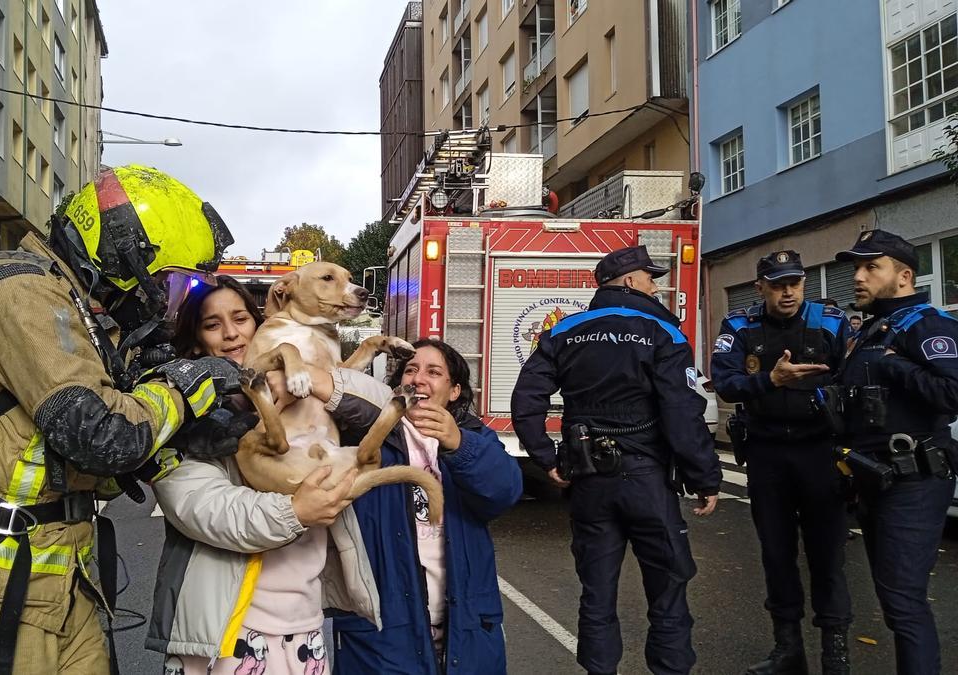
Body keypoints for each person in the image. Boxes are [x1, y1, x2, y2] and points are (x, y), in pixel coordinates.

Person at [0, 165, 244, 674]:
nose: (166, 302)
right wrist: (181, 390)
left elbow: (89, 467)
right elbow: (99, 434)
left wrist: (186, 440)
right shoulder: (21, 293)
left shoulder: (79, 315)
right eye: (169, 283)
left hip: (56, 582)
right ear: (117, 258)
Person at [146, 277, 380, 675]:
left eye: (240, 318)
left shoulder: (303, 384)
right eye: (213, 324)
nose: (232, 333)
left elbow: (385, 406)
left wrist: (315, 382)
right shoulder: (181, 408)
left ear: (260, 325)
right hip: (224, 633)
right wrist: (296, 510)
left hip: (304, 624)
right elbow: (202, 508)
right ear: (198, 340)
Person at [511, 245, 722, 675]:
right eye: (650, 277)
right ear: (629, 281)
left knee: (597, 593)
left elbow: (526, 398)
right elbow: (682, 411)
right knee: (667, 590)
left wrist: (546, 457)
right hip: (647, 480)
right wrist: (705, 477)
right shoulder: (663, 330)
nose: (654, 285)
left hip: (589, 481)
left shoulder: (563, 330)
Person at [280, 338, 521, 673]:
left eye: (434, 372)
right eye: (410, 370)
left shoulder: (474, 437)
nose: (418, 379)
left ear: (454, 391)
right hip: (383, 639)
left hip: (468, 630)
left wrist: (458, 444)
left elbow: (504, 491)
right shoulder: (365, 438)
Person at [711, 250, 852, 675]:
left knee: (828, 555)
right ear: (760, 288)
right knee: (776, 553)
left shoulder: (830, 321)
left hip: (820, 452)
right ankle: (788, 649)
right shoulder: (739, 326)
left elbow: (853, 380)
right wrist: (770, 380)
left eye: (794, 282)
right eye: (777, 284)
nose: (787, 292)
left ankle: (836, 654)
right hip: (768, 453)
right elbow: (725, 383)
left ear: (804, 283)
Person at [832, 230, 958, 675]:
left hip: (914, 480)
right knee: (894, 602)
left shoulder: (926, 324)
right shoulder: (870, 330)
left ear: (904, 276)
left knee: (904, 604)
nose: (859, 277)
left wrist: (894, 364)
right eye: (857, 268)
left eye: (871, 267)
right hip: (874, 479)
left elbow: (952, 392)